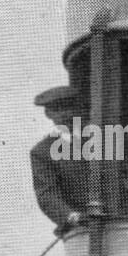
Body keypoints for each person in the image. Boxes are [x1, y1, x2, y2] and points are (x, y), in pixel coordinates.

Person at [29, 85, 89, 234]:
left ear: (78, 109)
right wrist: (72, 216)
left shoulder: (102, 138)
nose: (65, 115)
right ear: (48, 114)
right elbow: (46, 194)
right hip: (79, 231)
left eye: (69, 108)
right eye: (57, 110)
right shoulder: (42, 152)